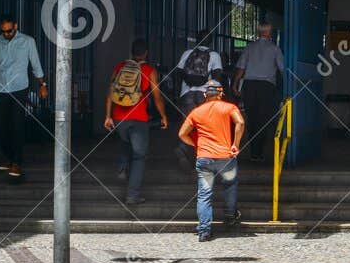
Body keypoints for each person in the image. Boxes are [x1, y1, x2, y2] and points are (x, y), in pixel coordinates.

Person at [177, 79, 245, 243]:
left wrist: (196, 145)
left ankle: (204, 232)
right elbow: (240, 122)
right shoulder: (229, 107)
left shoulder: (196, 112)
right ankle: (230, 216)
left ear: (205, 94)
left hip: (204, 158)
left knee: (204, 195)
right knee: (230, 185)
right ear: (221, 93)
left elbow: (182, 134)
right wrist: (235, 145)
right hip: (225, 157)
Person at [104, 38, 169, 207]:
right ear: (146, 53)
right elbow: (157, 97)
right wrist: (163, 116)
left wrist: (108, 116)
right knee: (139, 156)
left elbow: (110, 92)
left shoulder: (120, 67)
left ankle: (122, 166)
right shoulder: (149, 70)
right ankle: (132, 195)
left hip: (119, 118)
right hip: (139, 119)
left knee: (126, 141)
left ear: (132, 52)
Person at [0, 13, 46, 180]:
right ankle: (10, 158)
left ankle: (17, 162)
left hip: (19, 88)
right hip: (0, 88)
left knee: (17, 125)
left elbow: (35, 64)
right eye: (3, 31)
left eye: (9, 31)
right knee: (1, 126)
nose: (7, 34)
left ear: (15, 26)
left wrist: (42, 85)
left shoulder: (28, 41)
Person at [233, 22, 285, 161]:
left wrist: (235, 84)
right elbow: (282, 69)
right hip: (266, 88)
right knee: (264, 120)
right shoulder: (275, 49)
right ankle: (259, 152)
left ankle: (254, 152)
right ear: (269, 33)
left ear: (259, 32)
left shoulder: (249, 47)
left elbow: (241, 69)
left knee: (252, 119)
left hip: (249, 87)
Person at [172, 40, 225, 165]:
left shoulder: (188, 53)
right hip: (204, 95)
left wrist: (176, 94)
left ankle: (183, 148)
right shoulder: (214, 55)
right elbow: (217, 76)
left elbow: (178, 73)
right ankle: (201, 157)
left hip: (187, 95)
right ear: (210, 41)